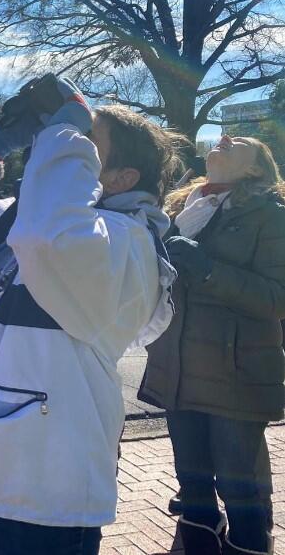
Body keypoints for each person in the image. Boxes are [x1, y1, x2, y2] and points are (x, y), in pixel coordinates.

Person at [0, 76, 180, 554]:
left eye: (84, 139)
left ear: (121, 179)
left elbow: (51, 239)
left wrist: (64, 130)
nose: (58, 139)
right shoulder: (20, 218)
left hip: (40, 493)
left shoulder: (128, 242)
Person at [139, 135, 285, 555]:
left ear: (256, 168)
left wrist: (206, 269)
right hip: (177, 368)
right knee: (193, 482)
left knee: (242, 488)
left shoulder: (272, 216)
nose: (223, 138)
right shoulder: (179, 208)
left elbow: (277, 298)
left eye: (238, 141)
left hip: (235, 373)